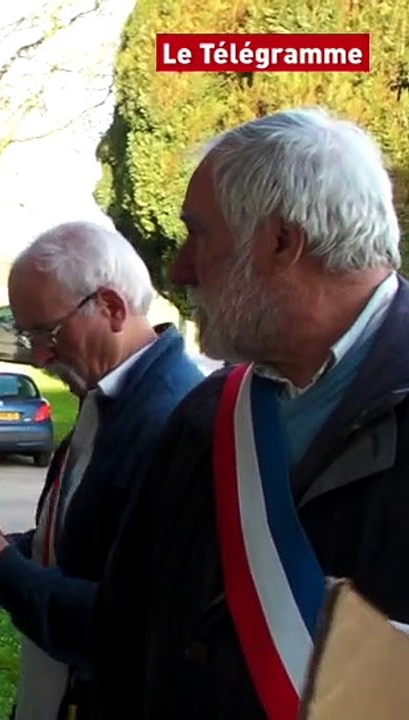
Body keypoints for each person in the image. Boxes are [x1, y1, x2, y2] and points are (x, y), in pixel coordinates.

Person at [92, 107, 409, 719]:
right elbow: (123, 634)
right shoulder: (204, 419)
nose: (179, 268)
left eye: (199, 234)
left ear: (283, 242)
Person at [0, 221, 204, 720]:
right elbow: (80, 551)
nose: (39, 355)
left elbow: (137, 628)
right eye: (27, 334)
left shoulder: (170, 422)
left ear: (112, 308)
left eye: (47, 332)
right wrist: (0, 545)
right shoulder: (108, 397)